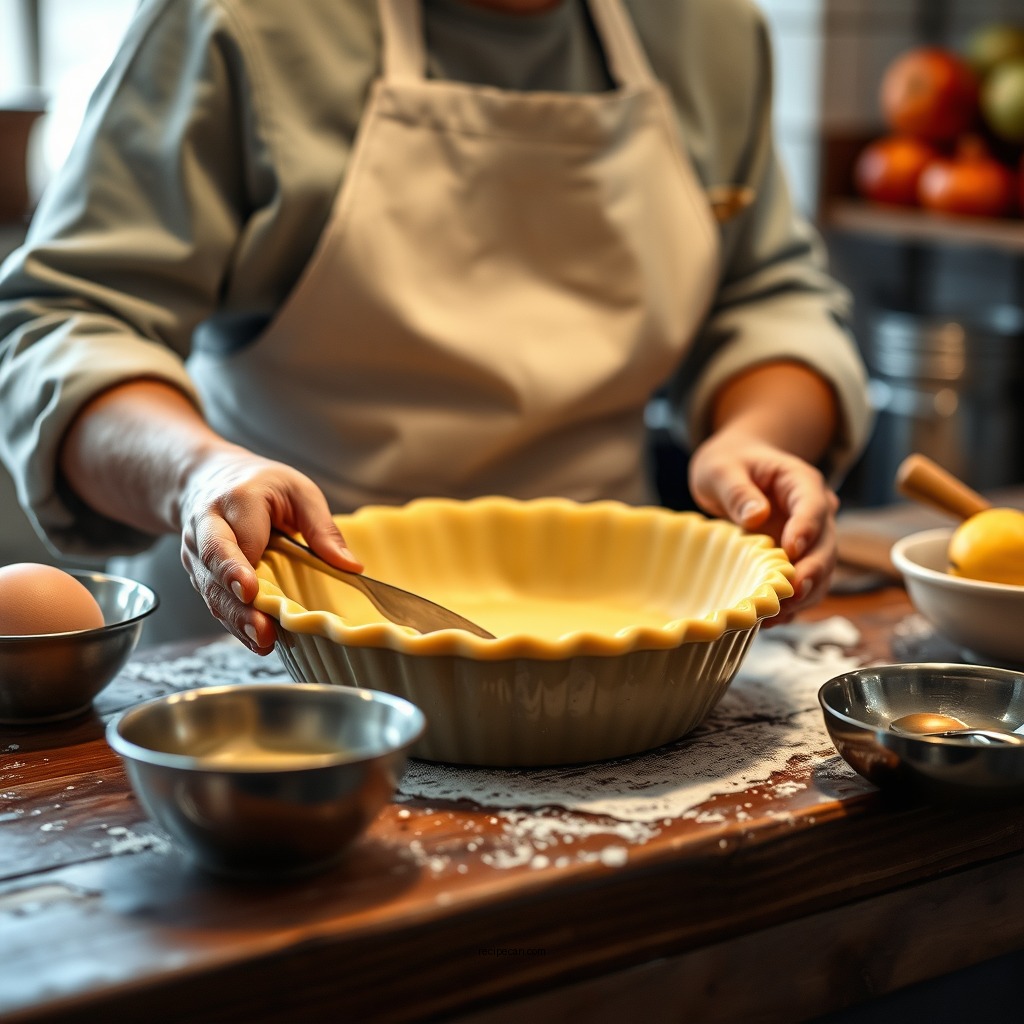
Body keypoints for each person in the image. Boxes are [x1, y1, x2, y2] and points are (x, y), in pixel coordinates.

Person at [0, 0, 872, 651]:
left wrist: (755, 438)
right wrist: (196, 474)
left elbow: (768, 299)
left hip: (626, 630)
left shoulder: (706, 29)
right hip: (289, 634)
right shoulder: (238, 22)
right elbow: (64, 323)